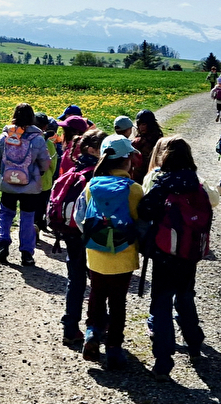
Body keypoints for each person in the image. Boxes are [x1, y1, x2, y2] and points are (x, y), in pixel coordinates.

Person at [137, 136, 212, 381]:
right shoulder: (197, 183)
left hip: (165, 252)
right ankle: (194, 342)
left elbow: (144, 209)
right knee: (185, 294)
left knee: (161, 302)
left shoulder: (164, 182)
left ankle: (163, 361)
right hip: (190, 252)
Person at [74, 134, 144, 369]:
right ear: (128, 161)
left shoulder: (90, 186)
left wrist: (95, 238)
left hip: (95, 253)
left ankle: (92, 333)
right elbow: (140, 223)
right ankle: (114, 347)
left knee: (96, 294)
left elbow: (80, 218)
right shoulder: (134, 190)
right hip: (124, 255)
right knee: (118, 302)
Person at [60, 129, 108, 346]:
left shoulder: (74, 168)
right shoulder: (96, 175)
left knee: (75, 280)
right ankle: (99, 325)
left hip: (70, 232)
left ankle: (70, 328)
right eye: (104, 148)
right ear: (92, 149)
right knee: (99, 282)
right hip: (90, 233)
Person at [0, 103, 51, 266]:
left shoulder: (5, 135)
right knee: (27, 217)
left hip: (8, 183)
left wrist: (5, 170)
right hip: (30, 185)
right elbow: (45, 163)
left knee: (6, 214)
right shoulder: (37, 138)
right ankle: (26, 253)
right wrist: (38, 172)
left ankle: (2, 244)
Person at [33, 112, 59, 235]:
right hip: (45, 181)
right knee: (42, 205)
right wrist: (51, 175)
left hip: (29, 181)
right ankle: (39, 223)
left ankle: (32, 228)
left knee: (30, 206)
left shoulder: (27, 140)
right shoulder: (49, 144)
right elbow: (53, 163)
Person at [131, 109, 164, 185]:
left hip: (154, 176)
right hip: (138, 178)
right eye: (139, 124)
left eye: (144, 124)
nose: (141, 127)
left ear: (150, 124)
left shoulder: (160, 140)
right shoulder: (136, 142)